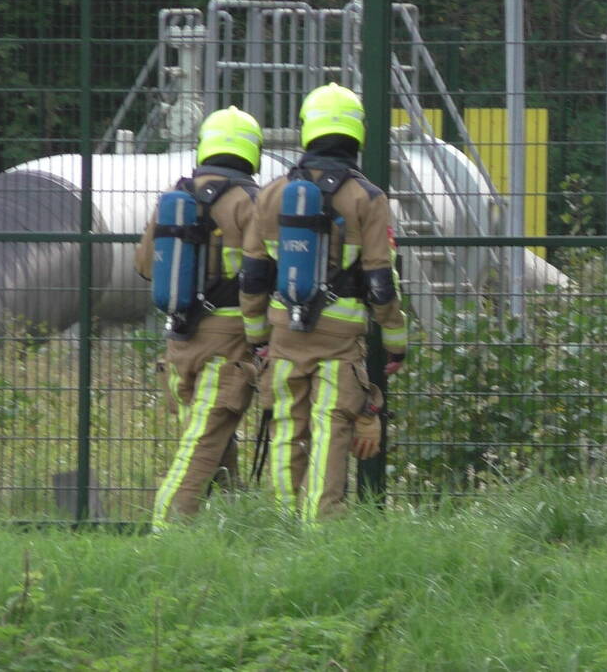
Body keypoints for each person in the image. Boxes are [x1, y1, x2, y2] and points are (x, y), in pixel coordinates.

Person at [239, 82, 407, 522]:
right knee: (332, 429)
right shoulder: (368, 198)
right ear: (358, 133)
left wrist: (258, 336)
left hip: (283, 334)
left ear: (307, 130)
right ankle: (321, 528)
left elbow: (254, 275)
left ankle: (281, 524)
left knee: (285, 430)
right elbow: (379, 280)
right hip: (340, 339)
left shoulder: (271, 194)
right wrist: (395, 339)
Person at [134, 106, 262, 530]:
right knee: (200, 451)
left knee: (216, 445)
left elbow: (144, 265)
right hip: (227, 343)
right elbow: (264, 275)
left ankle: (236, 530)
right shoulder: (248, 201)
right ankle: (162, 537)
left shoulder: (177, 195)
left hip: (179, 343)